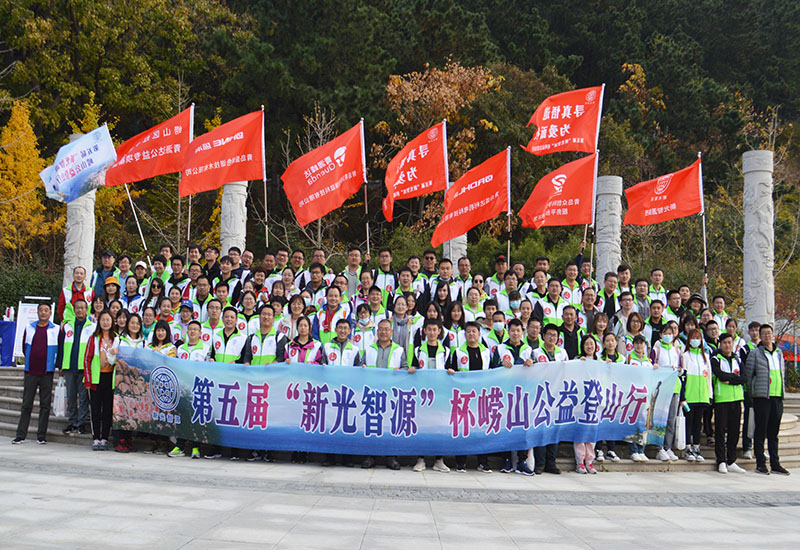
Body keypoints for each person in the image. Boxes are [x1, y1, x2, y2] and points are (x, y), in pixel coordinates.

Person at [743, 324, 790, 475]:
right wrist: (753, 394)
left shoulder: (778, 353)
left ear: (773, 335)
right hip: (762, 397)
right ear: (760, 336)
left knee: (773, 432)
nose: (767, 336)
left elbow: (782, 374)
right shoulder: (755, 353)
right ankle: (760, 464)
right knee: (760, 431)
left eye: (769, 333)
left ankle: (775, 463)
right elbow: (749, 377)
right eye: (764, 334)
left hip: (777, 397)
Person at [492, 318, 536, 475]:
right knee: (506, 426)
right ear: (508, 331)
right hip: (505, 393)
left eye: (518, 331)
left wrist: (532, 363)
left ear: (522, 332)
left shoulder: (528, 350)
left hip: (524, 394)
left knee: (523, 426)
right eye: (512, 330)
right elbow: (491, 369)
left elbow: (538, 372)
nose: (515, 333)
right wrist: (501, 365)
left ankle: (522, 460)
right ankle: (507, 460)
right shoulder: (500, 348)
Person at [447, 321, 492, 473]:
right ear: (464, 335)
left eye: (474, 331)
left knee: (482, 429)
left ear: (479, 334)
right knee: (463, 429)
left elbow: (493, 371)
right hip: (463, 397)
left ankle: (483, 462)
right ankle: (461, 462)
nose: (471, 334)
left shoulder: (486, 352)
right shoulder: (458, 352)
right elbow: (450, 370)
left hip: (481, 396)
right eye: (468, 332)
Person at [12, 303, 60, 445]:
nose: (43, 313)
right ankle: (21, 435)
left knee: (45, 405)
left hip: (47, 372)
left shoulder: (56, 329)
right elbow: (24, 346)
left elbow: (59, 348)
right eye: (41, 310)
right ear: (37, 312)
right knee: (26, 404)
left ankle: (41, 436)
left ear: (50, 313)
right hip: (31, 371)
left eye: (46, 310)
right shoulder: (29, 327)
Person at [410, 318, 450, 473]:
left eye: (435, 330)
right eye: (429, 330)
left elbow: (451, 368)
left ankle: (439, 460)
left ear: (439, 331)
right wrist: (413, 369)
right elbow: (413, 366)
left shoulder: (445, 351)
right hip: (422, 395)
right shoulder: (418, 350)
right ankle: (420, 459)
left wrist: (451, 371)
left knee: (440, 427)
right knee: (421, 426)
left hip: (440, 395)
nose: (432, 332)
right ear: (424, 331)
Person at [169, 321, 209, 458]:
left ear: (200, 333)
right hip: (183, 388)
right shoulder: (180, 349)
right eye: (190, 329)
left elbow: (210, 367)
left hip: (199, 388)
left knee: (196, 418)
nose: (192, 332)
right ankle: (179, 446)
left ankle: (195, 447)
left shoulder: (205, 348)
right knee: (182, 418)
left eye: (195, 329)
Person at [531, 323, 566, 474]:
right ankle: (540, 463)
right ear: (543, 336)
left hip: (557, 396)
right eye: (549, 334)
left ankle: (551, 463)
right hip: (540, 396)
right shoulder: (535, 352)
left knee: (554, 430)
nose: (552, 337)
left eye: (555, 335)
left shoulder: (562, 353)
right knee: (541, 430)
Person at [55, 299, 93, 435]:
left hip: (84, 368)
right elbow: (60, 347)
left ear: (87, 309)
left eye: (82, 308)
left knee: (83, 397)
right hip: (69, 367)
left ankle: (81, 423)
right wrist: (59, 365)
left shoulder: (92, 327)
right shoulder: (66, 326)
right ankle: (72, 422)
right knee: (71, 396)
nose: (80, 310)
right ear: (74, 310)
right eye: (77, 308)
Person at [82, 311, 118, 451]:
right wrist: (89, 379)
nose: (105, 322)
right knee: (95, 410)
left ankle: (104, 438)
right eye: (103, 320)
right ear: (99, 322)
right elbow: (87, 359)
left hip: (110, 378)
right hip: (96, 379)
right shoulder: (94, 338)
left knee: (107, 411)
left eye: (108, 320)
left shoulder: (116, 338)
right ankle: (96, 438)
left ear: (112, 321)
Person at [711, 333, 747, 474]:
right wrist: (734, 377)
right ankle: (721, 460)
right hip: (722, 399)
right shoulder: (716, 359)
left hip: (736, 399)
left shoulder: (737, 359)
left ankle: (731, 460)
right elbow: (720, 375)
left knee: (734, 431)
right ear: (720, 344)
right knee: (720, 431)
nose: (727, 345)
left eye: (729, 342)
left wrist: (731, 379)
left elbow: (744, 378)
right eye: (724, 342)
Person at [651, 322, 682, 463]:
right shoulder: (656, 349)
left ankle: (668, 446)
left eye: (670, 333)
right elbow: (651, 365)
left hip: (675, 387)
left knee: (671, 419)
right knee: (660, 418)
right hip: (661, 388)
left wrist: (680, 370)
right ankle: (659, 448)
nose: (668, 336)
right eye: (665, 333)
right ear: (660, 335)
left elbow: (682, 367)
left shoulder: (677, 350)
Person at [680, 328, 712, 462]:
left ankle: (696, 447)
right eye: (693, 338)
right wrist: (683, 397)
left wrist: (709, 394)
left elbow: (709, 377)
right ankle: (687, 447)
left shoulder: (705, 357)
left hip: (702, 396)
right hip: (689, 396)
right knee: (689, 422)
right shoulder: (685, 356)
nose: (695, 340)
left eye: (698, 338)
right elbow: (683, 377)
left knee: (698, 423)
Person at [627, 335, 655, 462]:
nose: (639, 345)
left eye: (641, 343)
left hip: (645, 396)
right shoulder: (629, 358)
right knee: (633, 423)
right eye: (636, 343)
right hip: (633, 395)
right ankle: (633, 450)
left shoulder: (648, 361)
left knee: (644, 424)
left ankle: (641, 449)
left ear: (645, 345)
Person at [574, 336, 599, 474]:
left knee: (591, 432)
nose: (589, 347)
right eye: (587, 344)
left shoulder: (599, 362)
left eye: (592, 344)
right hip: (581, 401)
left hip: (594, 401)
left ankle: (589, 461)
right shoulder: (578, 360)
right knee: (580, 431)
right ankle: (580, 462)